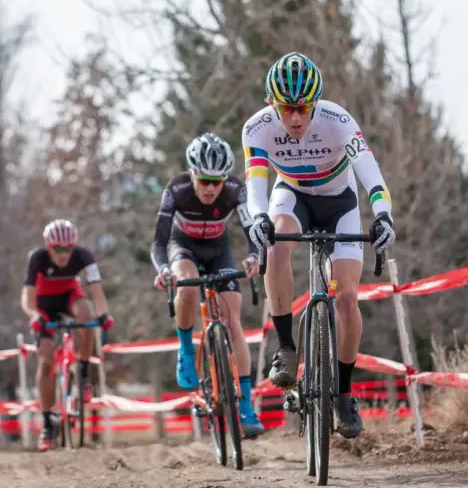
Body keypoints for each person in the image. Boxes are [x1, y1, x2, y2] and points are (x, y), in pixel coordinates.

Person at [242, 52, 396, 439]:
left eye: (303, 108)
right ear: (270, 104)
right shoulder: (256, 129)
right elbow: (255, 183)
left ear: (316, 103)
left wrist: (383, 214)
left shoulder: (337, 120)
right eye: (286, 109)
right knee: (276, 243)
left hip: (339, 202)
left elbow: (370, 174)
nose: (295, 118)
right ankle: (287, 349)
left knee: (346, 296)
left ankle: (344, 392)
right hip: (292, 197)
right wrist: (259, 217)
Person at [151, 132, 264, 437]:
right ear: (192, 174)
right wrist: (163, 269)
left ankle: (246, 407)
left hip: (218, 250)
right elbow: (159, 243)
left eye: (217, 181)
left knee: (232, 321)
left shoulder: (235, 191)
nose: (211, 188)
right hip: (182, 246)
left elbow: (252, 231)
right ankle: (186, 349)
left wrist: (255, 256)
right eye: (204, 181)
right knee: (186, 284)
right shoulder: (176, 189)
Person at [21, 219, 114, 451]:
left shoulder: (83, 256)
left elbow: (96, 291)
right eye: (58, 249)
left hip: (69, 298)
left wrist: (103, 315)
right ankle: (46, 422)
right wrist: (34, 315)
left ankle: (82, 372)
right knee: (46, 361)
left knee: (87, 313)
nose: (63, 254)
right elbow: (27, 298)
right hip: (44, 306)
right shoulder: (37, 258)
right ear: (48, 246)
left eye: (68, 248)